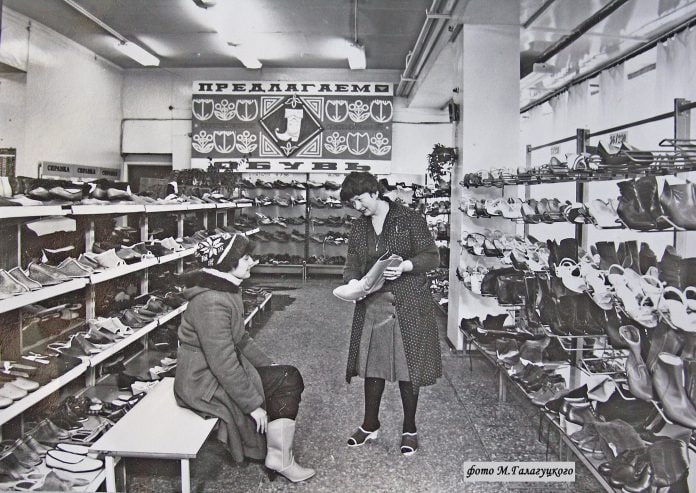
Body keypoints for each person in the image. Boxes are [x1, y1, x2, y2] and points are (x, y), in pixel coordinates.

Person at [173, 232, 314, 482]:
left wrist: (269, 365)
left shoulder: (225, 291)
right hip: (202, 382)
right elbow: (223, 362)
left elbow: (241, 339)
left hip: (208, 372)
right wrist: (252, 406)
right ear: (227, 263)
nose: (253, 262)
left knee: (285, 376)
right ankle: (280, 458)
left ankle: (278, 455)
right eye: (246, 257)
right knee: (288, 379)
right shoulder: (212, 301)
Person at [339, 171, 442, 456]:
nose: (357, 206)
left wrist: (406, 266)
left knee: (409, 369)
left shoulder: (409, 219)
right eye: (352, 203)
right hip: (374, 304)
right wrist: (352, 283)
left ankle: (410, 429)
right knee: (373, 367)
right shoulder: (359, 227)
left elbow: (432, 256)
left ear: (375, 192)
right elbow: (352, 263)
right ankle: (370, 424)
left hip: (409, 303)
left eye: (359, 199)